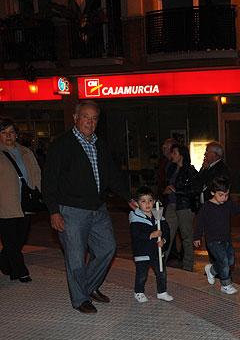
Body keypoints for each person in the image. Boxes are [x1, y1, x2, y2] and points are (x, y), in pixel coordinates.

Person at [42, 100, 136, 314]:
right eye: (85, 116)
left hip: (98, 209)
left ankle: (89, 287)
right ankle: (80, 299)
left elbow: (112, 176)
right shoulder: (62, 144)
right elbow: (49, 180)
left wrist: (128, 197)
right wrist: (53, 211)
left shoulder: (99, 144)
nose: (90, 122)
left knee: (107, 248)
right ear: (75, 118)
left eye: (94, 118)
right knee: (75, 258)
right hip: (71, 210)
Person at [193, 176, 240, 294]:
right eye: (220, 195)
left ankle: (212, 270)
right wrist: (197, 237)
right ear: (213, 192)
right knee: (223, 261)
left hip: (226, 240)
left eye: (226, 195)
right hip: (213, 241)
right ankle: (225, 285)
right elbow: (199, 223)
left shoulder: (228, 205)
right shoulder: (206, 207)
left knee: (230, 261)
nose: (224, 198)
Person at [0, 117, 41, 283]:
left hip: (25, 201)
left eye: (11, 132)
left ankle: (4, 263)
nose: (8, 136)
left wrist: (39, 191)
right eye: (3, 133)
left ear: (16, 134)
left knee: (19, 239)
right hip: (5, 204)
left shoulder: (26, 152)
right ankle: (20, 271)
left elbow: (36, 172)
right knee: (10, 240)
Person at [193, 141, 232, 283]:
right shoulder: (207, 168)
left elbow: (216, 186)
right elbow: (197, 184)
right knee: (215, 249)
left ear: (215, 154)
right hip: (207, 209)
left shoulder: (222, 169)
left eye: (207, 151)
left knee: (224, 253)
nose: (205, 154)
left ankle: (217, 272)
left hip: (218, 214)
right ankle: (222, 278)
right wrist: (203, 170)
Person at [129, 186, 173, 303]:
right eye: (143, 201)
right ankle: (139, 291)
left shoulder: (158, 215)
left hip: (156, 251)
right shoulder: (135, 218)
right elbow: (136, 235)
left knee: (161, 272)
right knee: (142, 274)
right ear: (137, 203)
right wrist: (150, 235)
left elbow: (166, 229)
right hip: (142, 251)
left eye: (150, 200)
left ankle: (162, 291)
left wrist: (163, 240)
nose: (147, 204)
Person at [163, 144, 198, 272]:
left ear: (182, 156)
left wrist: (176, 190)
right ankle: (161, 262)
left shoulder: (189, 170)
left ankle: (188, 266)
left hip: (184, 206)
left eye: (175, 153)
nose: (172, 155)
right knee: (167, 233)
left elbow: (194, 190)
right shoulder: (172, 169)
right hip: (172, 205)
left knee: (186, 236)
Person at [157, 138, 177, 204]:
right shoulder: (164, 161)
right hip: (165, 195)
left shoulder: (177, 164)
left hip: (175, 197)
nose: (163, 149)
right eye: (163, 147)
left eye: (165, 147)